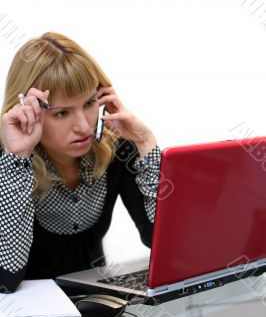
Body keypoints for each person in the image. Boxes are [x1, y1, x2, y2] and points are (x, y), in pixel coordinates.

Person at [0, 32, 161, 293]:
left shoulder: (117, 149)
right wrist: (17, 161)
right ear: (27, 111)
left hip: (97, 309)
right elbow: (6, 279)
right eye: (62, 112)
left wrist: (145, 142)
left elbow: (162, 243)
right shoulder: (8, 162)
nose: (84, 126)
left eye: (89, 103)